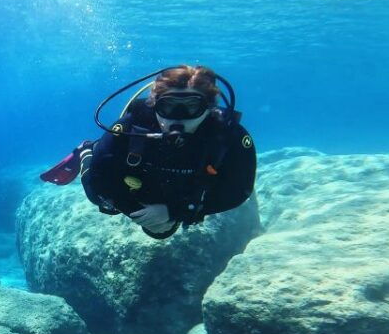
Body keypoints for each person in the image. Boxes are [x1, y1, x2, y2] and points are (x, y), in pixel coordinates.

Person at [41, 65, 256, 239]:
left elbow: (240, 191)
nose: (178, 118)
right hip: (138, 183)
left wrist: (176, 212)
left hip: (184, 193)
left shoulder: (229, 136)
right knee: (97, 197)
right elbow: (99, 179)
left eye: (191, 107)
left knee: (161, 228)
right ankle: (87, 150)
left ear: (209, 108)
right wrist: (134, 209)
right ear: (154, 106)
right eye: (168, 107)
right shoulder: (131, 127)